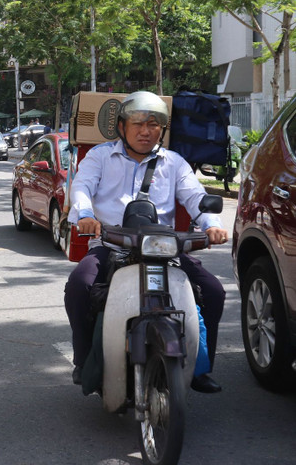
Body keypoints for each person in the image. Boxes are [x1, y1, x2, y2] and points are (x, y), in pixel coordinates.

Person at [65, 90, 228, 394]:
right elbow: (82, 188)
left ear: (162, 130)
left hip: (162, 249)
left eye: (154, 124)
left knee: (213, 291)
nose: (145, 130)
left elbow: (195, 197)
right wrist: (86, 214)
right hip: (111, 244)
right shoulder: (100, 156)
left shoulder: (174, 163)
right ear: (122, 126)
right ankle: (84, 359)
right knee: (79, 285)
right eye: (138, 123)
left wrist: (212, 225)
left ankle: (200, 368)